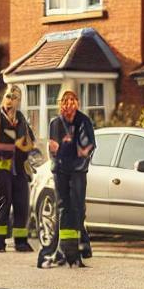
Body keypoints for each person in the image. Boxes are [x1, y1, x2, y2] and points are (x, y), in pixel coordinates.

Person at [44, 89, 95, 267]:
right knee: (64, 208)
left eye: (73, 100)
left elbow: (90, 144)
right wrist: (57, 147)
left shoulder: (84, 121)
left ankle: (80, 245)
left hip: (78, 170)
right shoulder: (56, 123)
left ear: (77, 103)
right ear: (61, 104)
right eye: (66, 101)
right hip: (61, 170)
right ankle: (65, 250)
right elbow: (52, 146)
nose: (69, 104)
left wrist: (83, 150)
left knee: (78, 208)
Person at [0, 84, 36, 254]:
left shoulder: (21, 119)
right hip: (0, 168)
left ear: (19, 101)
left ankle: (21, 242)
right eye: (8, 96)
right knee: (3, 205)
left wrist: (24, 144)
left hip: (19, 169)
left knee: (22, 205)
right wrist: (15, 144)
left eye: (14, 98)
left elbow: (30, 143)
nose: (10, 101)